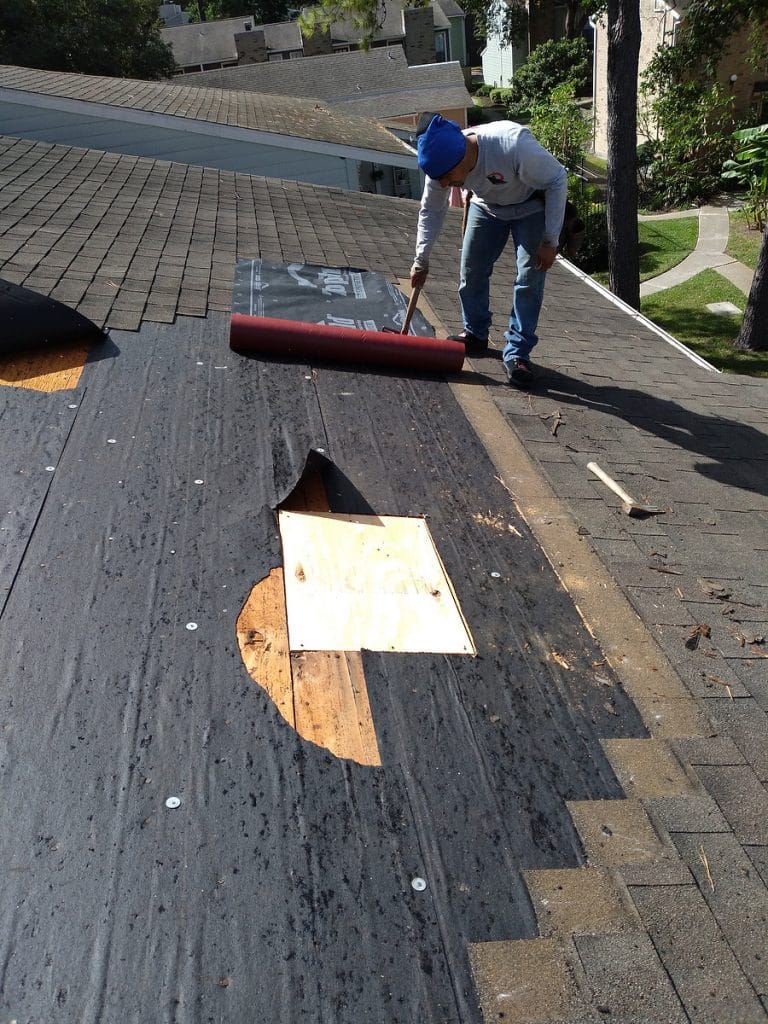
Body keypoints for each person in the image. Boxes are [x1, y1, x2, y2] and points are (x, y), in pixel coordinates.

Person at [410, 114, 567, 386]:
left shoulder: (512, 145)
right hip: (486, 207)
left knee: (529, 278)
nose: (444, 184)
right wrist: (421, 260)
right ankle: (475, 334)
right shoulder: (440, 165)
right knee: (471, 270)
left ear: (463, 156)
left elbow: (557, 179)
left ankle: (517, 353)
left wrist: (550, 242)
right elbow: (431, 211)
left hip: (531, 206)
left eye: (447, 177)